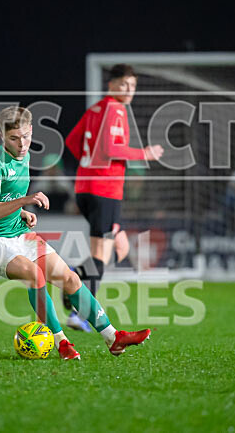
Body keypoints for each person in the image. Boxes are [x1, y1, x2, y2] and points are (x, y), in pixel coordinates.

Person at [0, 106, 151, 360]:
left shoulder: (25, 157)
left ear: (31, 132)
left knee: (70, 279)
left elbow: (5, 198)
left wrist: (22, 213)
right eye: (14, 138)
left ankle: (113, 337)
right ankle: (61, 342)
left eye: (26, 137)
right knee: (34, 275)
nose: (22, 144)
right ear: (1, 136)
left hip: (16, 232)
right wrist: (24, 201)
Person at [64, 64, 164, 331]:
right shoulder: (116, 109)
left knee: (120, 248)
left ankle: (71, 278)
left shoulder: (96, 109)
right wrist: (145, 153)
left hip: (86, 188)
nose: (129, 90)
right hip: (104, 190)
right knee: (102, 253)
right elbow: (110, 148)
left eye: (132, 85)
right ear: (111, 85)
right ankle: (79, 313)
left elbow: (73, 141)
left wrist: (89, 167)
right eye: (123, 84)